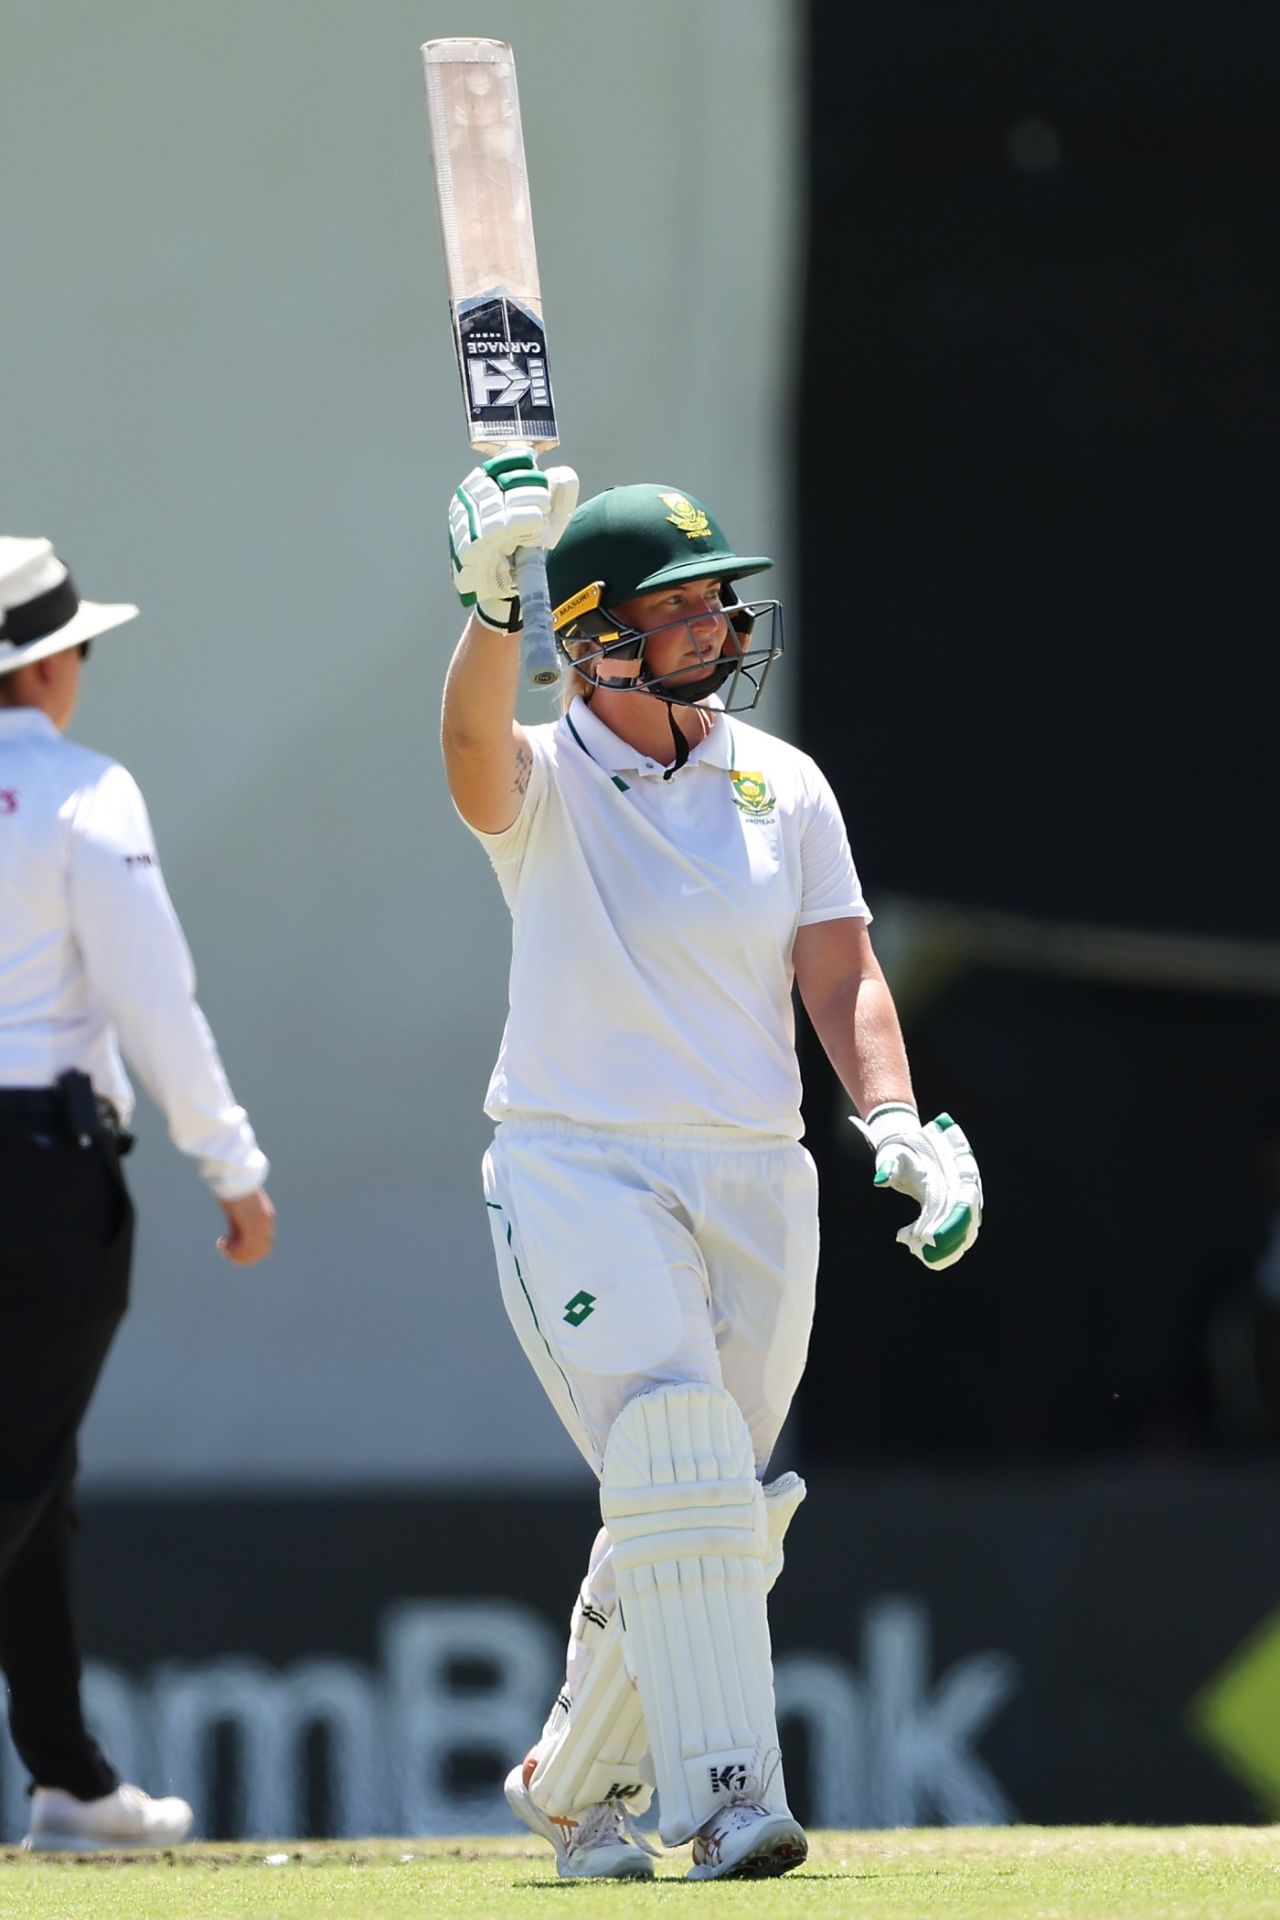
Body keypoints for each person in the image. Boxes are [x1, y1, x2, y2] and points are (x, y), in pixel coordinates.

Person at [440, 455, 982, 1881]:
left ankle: (573, 1789)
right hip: (578, 1167)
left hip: (759, 1174)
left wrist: (898, 1124)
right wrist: (495, 610)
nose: (719, 628)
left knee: (718, 1510)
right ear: (599, 637)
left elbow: (841, 971)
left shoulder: (781, 783)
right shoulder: (548, 778)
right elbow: (466, 757)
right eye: (684, 606)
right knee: (675, 1457)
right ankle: (731, 1794)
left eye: (721, 604)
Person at [0, 537, 275, 1851]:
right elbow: (152, 1000)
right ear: (47, 663)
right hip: (37, 1176)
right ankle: (68, 1776)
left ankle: (70, 1777)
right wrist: (232, 1166)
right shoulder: (81, 791)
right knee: (20, 1463)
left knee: (35, 1478)